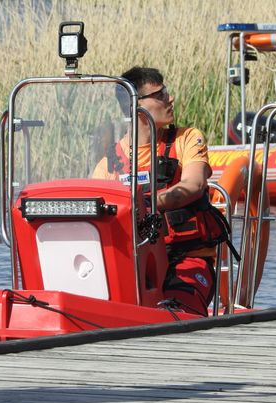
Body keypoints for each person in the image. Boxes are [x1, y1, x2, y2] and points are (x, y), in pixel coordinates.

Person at [92, 67, 224, 317]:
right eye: (161, 94)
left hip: (185, 260)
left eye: (167, 92)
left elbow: (194, 186)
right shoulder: (108, 164)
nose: (170, 98)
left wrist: (145, 205)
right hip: (135, 266)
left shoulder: (188, 139)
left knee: (176, 313)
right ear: (137, 106)